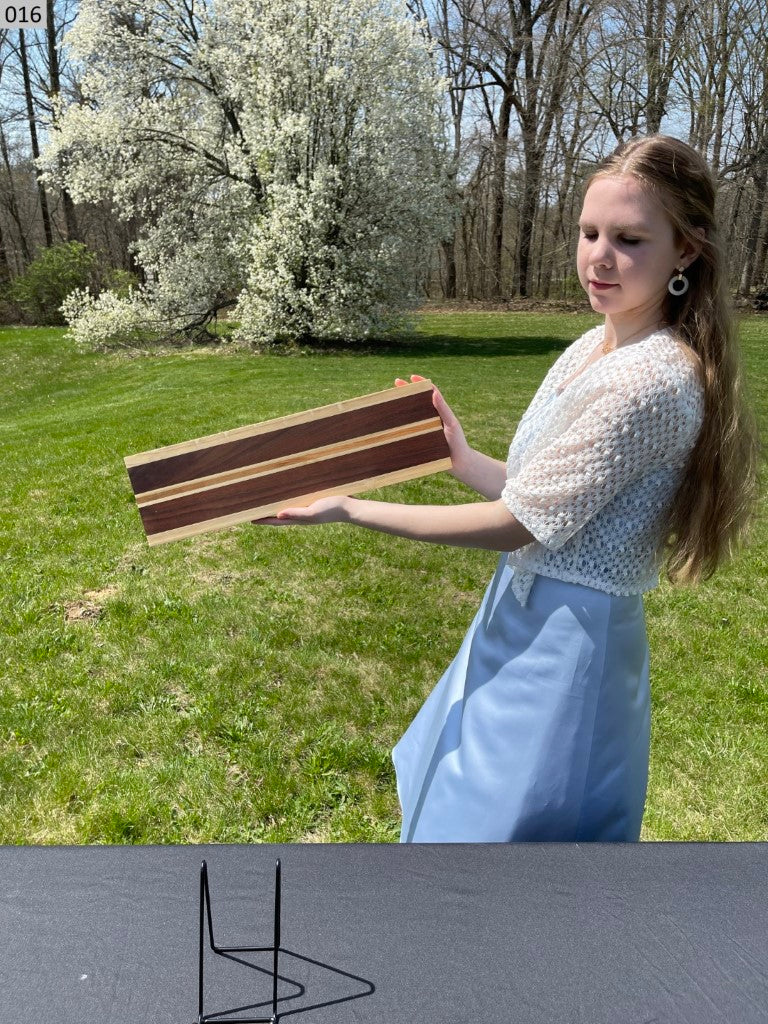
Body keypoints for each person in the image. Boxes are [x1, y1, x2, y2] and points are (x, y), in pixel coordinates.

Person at [256, 135, 761, 842]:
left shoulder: (653, 380)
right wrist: (463, 459)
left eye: (630, 238)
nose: (599, 257)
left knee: (512, 843)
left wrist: (348, 508)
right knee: (459, 814)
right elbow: (546, 494)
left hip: (567, 647)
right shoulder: (600, 343)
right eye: (589, 233)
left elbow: (517, 522)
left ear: (685, 252)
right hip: (520, 618)